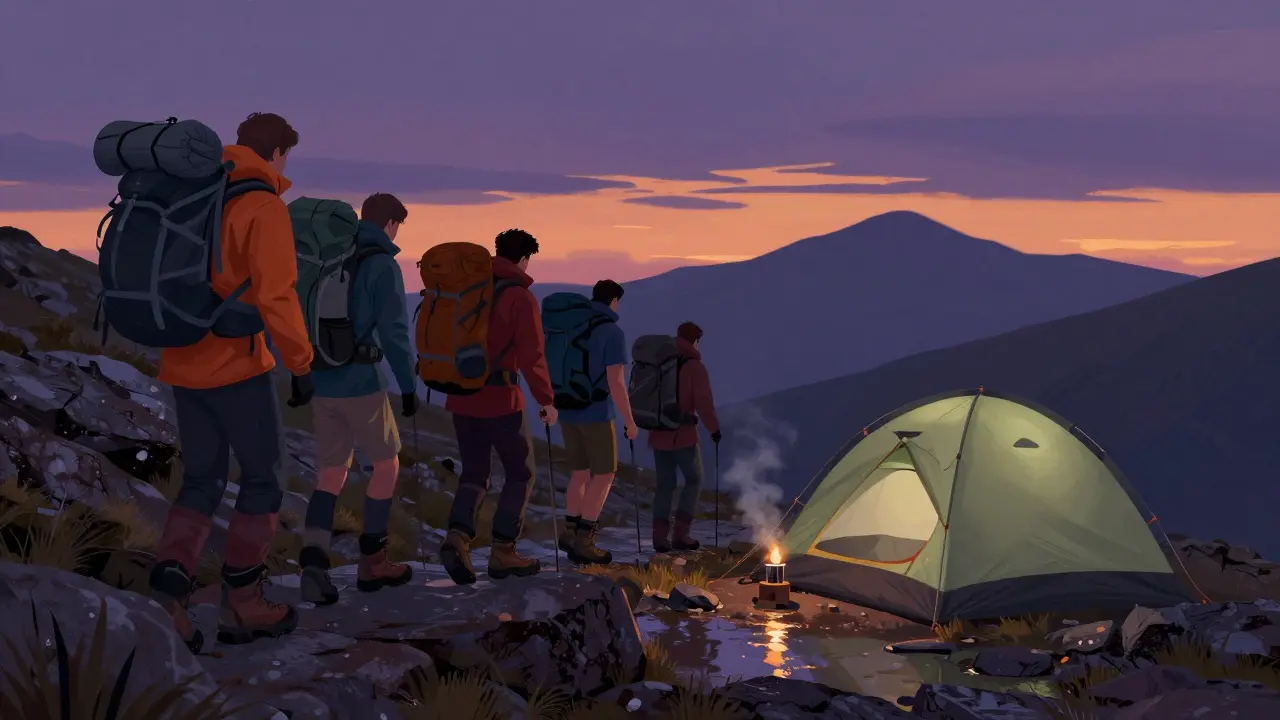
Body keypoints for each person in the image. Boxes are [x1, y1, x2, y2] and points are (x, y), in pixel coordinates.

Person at [149, 112, 313, 650]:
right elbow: (277, 296)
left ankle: (168, 600)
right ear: (278, 152)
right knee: (263, 479)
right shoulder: (262, 206)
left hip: (183, 360)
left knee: (201, 479)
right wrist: (301, 362)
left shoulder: (196, 194)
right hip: (238, 367)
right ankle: (243, 604)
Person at [297, 192, 419, 606]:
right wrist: (408, 385)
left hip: (319, 378)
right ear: (390, 223)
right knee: (386, 466)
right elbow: (395, 335)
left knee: (330, 474)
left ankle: (313, 563)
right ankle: (374, 562)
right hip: (361, 383)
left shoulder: (327, 258)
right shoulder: (382, 264)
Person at [439, 229, 557, 585]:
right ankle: (504, 551)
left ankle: (457, 538)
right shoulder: (519, 297)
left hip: (461, 395)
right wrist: (547, 401)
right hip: (501, 399)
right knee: (520, 473)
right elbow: (532, 355)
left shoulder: (467, 288)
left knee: (475, 473)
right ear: (524, 259)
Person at [556, 280, 636, 564]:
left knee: (580, 472)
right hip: (596, 413)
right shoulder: (612, 331)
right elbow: (616, 381)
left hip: (566, 409)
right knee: (604, 474)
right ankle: (585, 540)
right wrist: (629, 420)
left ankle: (569, 531)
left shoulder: (571, 325)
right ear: (614, 301)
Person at [649, 321, 721, 552]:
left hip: (658, 433)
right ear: (696, 341)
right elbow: (704, 403)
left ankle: (660, 537)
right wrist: (714, 429)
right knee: (694, 479)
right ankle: (681, 534)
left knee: (665, 485)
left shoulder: (659, 362)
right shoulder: (694, 367)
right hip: (683, 435)